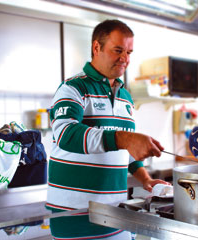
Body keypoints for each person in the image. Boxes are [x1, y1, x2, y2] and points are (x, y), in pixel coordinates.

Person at [46, 19, 170, 239]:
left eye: (129, 52)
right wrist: (124, 139)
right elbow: (66, 135)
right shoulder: (73, 88)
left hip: (115, 212)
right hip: (74, 215)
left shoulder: (126, 97)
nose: (125, 59)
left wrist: (145, 179)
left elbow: (125, 151)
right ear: (97, 47)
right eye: (118, 50)